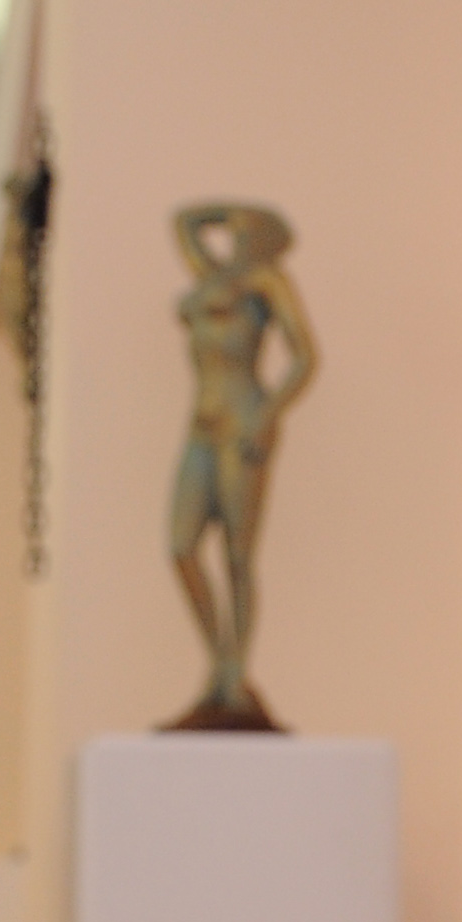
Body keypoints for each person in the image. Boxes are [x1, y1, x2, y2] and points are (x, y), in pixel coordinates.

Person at [164, 202, 317, 731]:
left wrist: (267, 415)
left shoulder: (267, 283)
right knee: (181, 547)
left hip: (241, 423)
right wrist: (228, 210)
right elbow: (183, 223)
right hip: (201, 426)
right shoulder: (214, 277)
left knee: (237, 554)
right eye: (234, 231)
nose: (235, 236)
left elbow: (305, 356)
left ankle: (235, 673)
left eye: (246, 231)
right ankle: (220, 658)